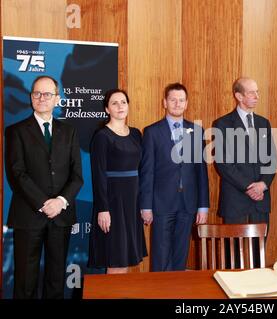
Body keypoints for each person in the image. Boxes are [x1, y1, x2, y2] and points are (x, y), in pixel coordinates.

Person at [4, 75, 83, 298]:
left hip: (61, 217)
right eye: (37, 93)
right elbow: (17, 174)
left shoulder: (69, 132)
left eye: (47, 94)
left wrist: (60, 202)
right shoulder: (16, 131)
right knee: (25, 281)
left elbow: (77, 176)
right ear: (31, 98)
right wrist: (42, 203)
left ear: (57, 98)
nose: (42, 98)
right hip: (28, 215)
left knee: (56, 280)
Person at [140, 82, 209, 271]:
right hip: (161, 203)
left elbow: (201, 172)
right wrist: (146, 206)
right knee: (160, 258)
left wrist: (203, 206)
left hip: (188, 204)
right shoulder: (152, 132)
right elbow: (147, 172)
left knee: (180, 256)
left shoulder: (197, 131)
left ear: (186, 103)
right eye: (173, 100)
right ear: (165, 102)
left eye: (181, 100)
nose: (177, 104)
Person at [213, 77, 277, 267]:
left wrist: (263, 185)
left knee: (259, 253)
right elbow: (223, 163)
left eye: (257, 92)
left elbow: (271, 159)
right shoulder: (222, 124)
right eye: (251, 92)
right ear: (238, 96)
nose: (257, 96)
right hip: (236, 198)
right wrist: (249, 186)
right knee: (232, 254)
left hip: (261, 199)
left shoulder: (264, 123)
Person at [88, 89, 147, 273]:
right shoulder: (102, 137)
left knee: (127, 259)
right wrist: (103, 209)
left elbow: (142, 169)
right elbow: (98, 175)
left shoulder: (136, 134)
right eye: (114, 103)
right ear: (107, 109)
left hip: (132, 203)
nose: (120, 106)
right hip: (113, 204)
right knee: (116, 260)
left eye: (123, 102)